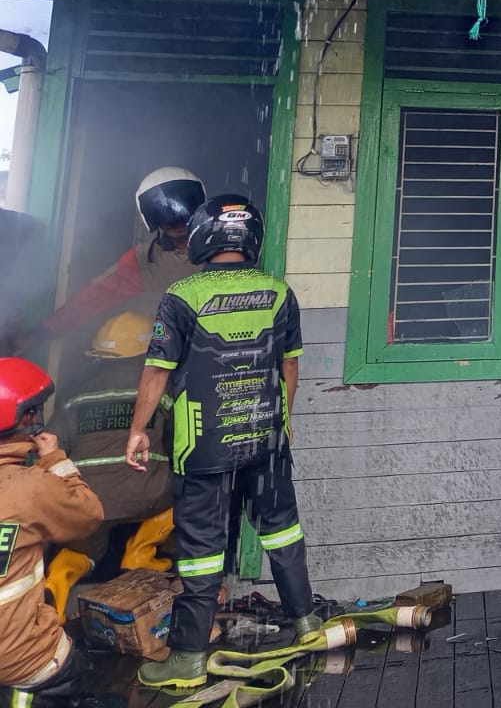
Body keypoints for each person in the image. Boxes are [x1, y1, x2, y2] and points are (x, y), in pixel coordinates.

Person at [123, 194, 319, 690]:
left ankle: (188, 657)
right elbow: (289, 365)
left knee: (202, 551)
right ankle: (306, 623)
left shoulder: (181, 295)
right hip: (266, 439)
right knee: (282, 532)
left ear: (203, 236)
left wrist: (138, 429)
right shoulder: (278, 291)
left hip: (203, 446)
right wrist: (284, 418)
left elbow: (158, 369)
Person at [43, 312, 175, 617]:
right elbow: (183, 446)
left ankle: (60, 578)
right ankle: (140, 553)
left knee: (83, 545)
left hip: (87, 500)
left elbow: (52, 442)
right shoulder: (162, 388)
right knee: (197, 492)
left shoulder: (76, 395)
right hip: (148, 495)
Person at [0, 356, 106, 707]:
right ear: (22, 418)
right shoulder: (29, 487)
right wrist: (55, 459)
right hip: (22, 658)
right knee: (86, 672)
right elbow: (88, 515)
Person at [27, 168, 206, 353]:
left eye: (183, 209)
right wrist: (41, 333)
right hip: (170, 356)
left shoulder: (227, 248)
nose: (175, 219)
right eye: (163, 212)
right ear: (151, 216)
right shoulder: (145, 259)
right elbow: (94, 297)